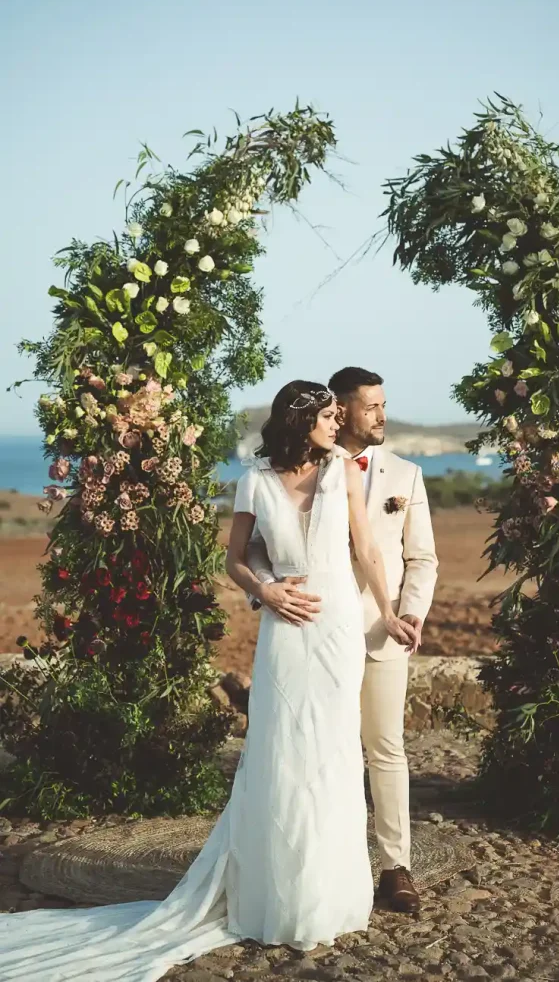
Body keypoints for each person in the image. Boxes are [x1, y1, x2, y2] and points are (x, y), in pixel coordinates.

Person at [0, 380, 417, 980]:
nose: (336, 425)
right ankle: (273, 893)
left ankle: (327, 894)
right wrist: (267, 592)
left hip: (337, 633)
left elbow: (368, 553)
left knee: (332, 753)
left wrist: (392, 611)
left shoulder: (342, 473)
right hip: (284, 631)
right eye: (328, 417)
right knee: (279, 755)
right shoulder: (255, 480)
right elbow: (235, 560)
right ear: (301, 423)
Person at [246, 367, 438, 913]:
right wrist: (268, 591)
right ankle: (331, 865)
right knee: (318, 751)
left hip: (380, 631)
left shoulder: (406, 474)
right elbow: (259, 543)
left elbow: (420, 556)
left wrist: (408, 614)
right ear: (342, 410)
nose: (382, 416)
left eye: (384, 405)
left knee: (385, 748)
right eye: (371, 406)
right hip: (310, 628)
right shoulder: (292, 470)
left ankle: (396, 868)